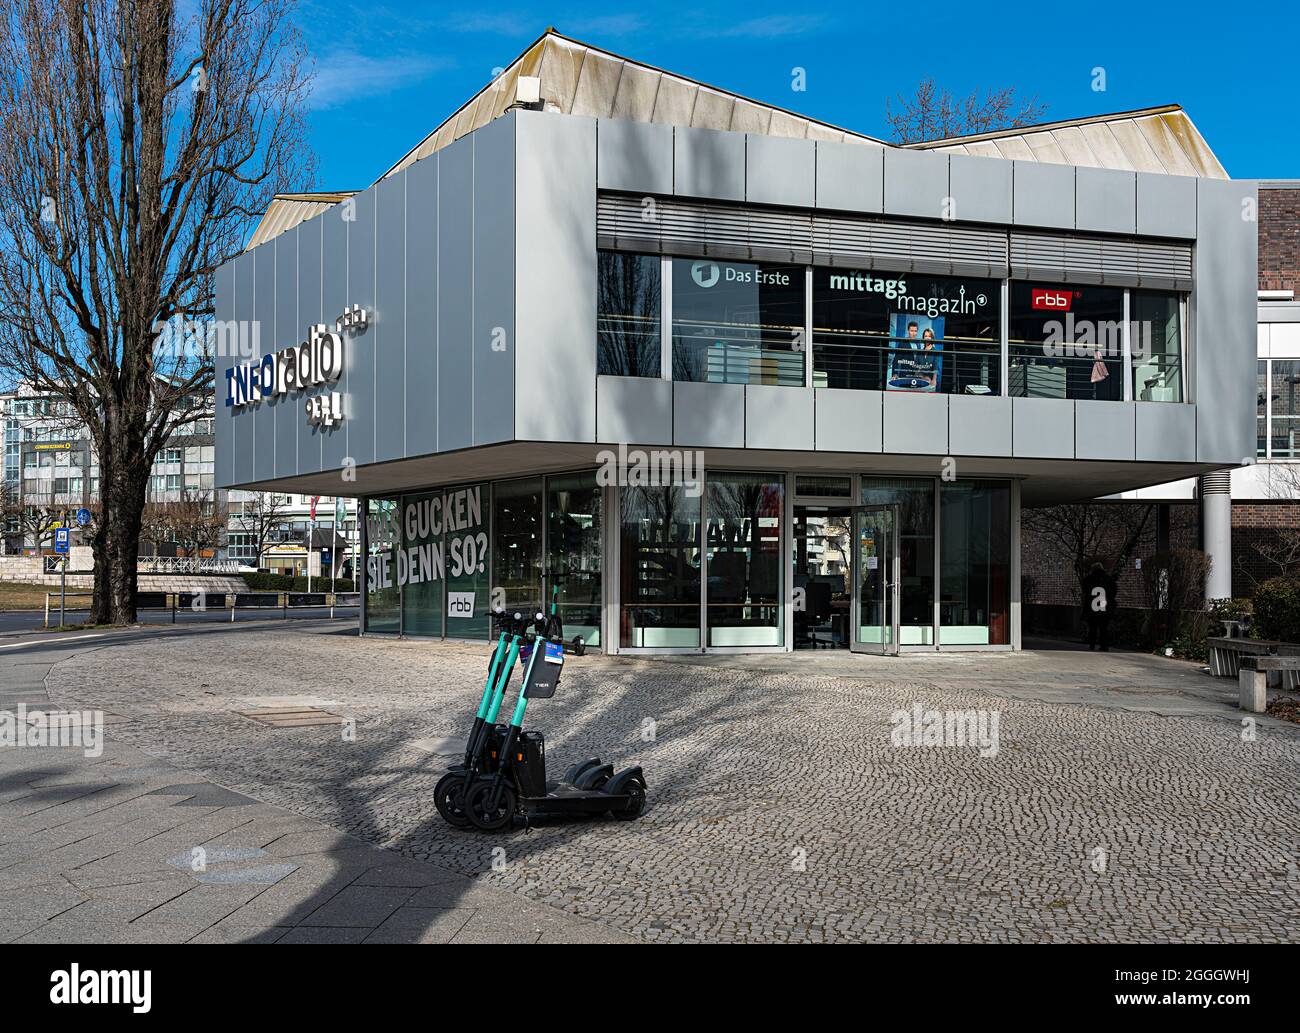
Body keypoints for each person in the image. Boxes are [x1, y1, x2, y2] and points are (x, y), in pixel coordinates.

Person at [1080, 561, 1118, 651]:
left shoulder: (1088, 579)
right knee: (1103, 628)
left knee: (1092, 627)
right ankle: (1104, 645)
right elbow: (1113, 592)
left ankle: (1092, 645)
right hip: (1105, 607)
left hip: (1092, 607)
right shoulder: (1109, 580)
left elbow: (1085, 591)